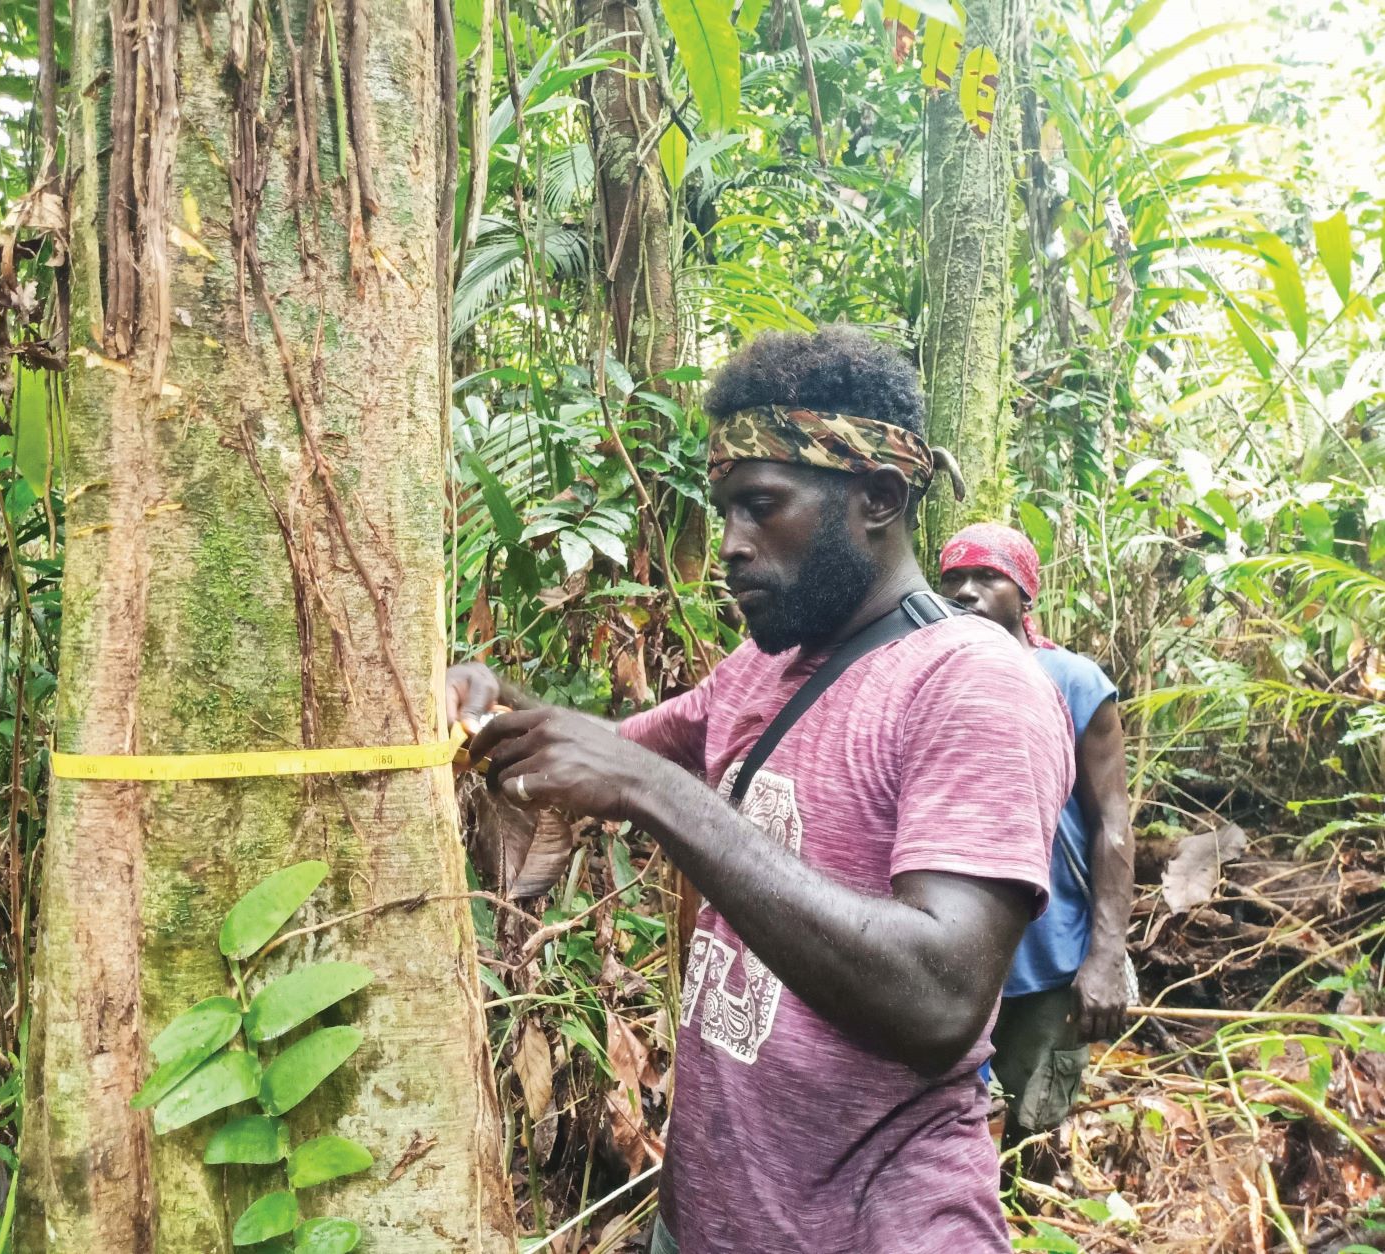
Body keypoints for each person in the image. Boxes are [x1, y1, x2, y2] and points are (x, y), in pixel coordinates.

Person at [449, 327, 1074, 1253]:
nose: (730, 548)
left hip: (873, 1230)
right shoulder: (762, 667)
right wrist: (491, 699)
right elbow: (605, 757)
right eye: (725, 512)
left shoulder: (970, 684)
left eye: (762, 507)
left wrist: (657, 792)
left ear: (878, 498)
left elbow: (940, 1002)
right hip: (706, 1216)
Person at [937, 523, 1134, 1155]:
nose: (966, 592)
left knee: (1029, 1138)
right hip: (949, 956)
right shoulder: (929, 674)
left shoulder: (1075, 682)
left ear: (1025, 595)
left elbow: (1111, 824)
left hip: (1047, 963)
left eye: (987, 577)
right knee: (948, 1139)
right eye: (952, 580)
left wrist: (1105, 957)